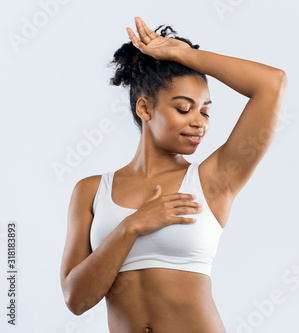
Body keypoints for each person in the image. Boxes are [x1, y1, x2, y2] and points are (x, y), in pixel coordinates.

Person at [59, 16, 287, 333]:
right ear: (144, 108)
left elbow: (272, 83)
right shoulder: (91, 191)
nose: (199, 123)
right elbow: (76, 299)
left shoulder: (213, 181)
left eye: (205, 111)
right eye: (183, 108)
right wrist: (131, 226)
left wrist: (185, 55)